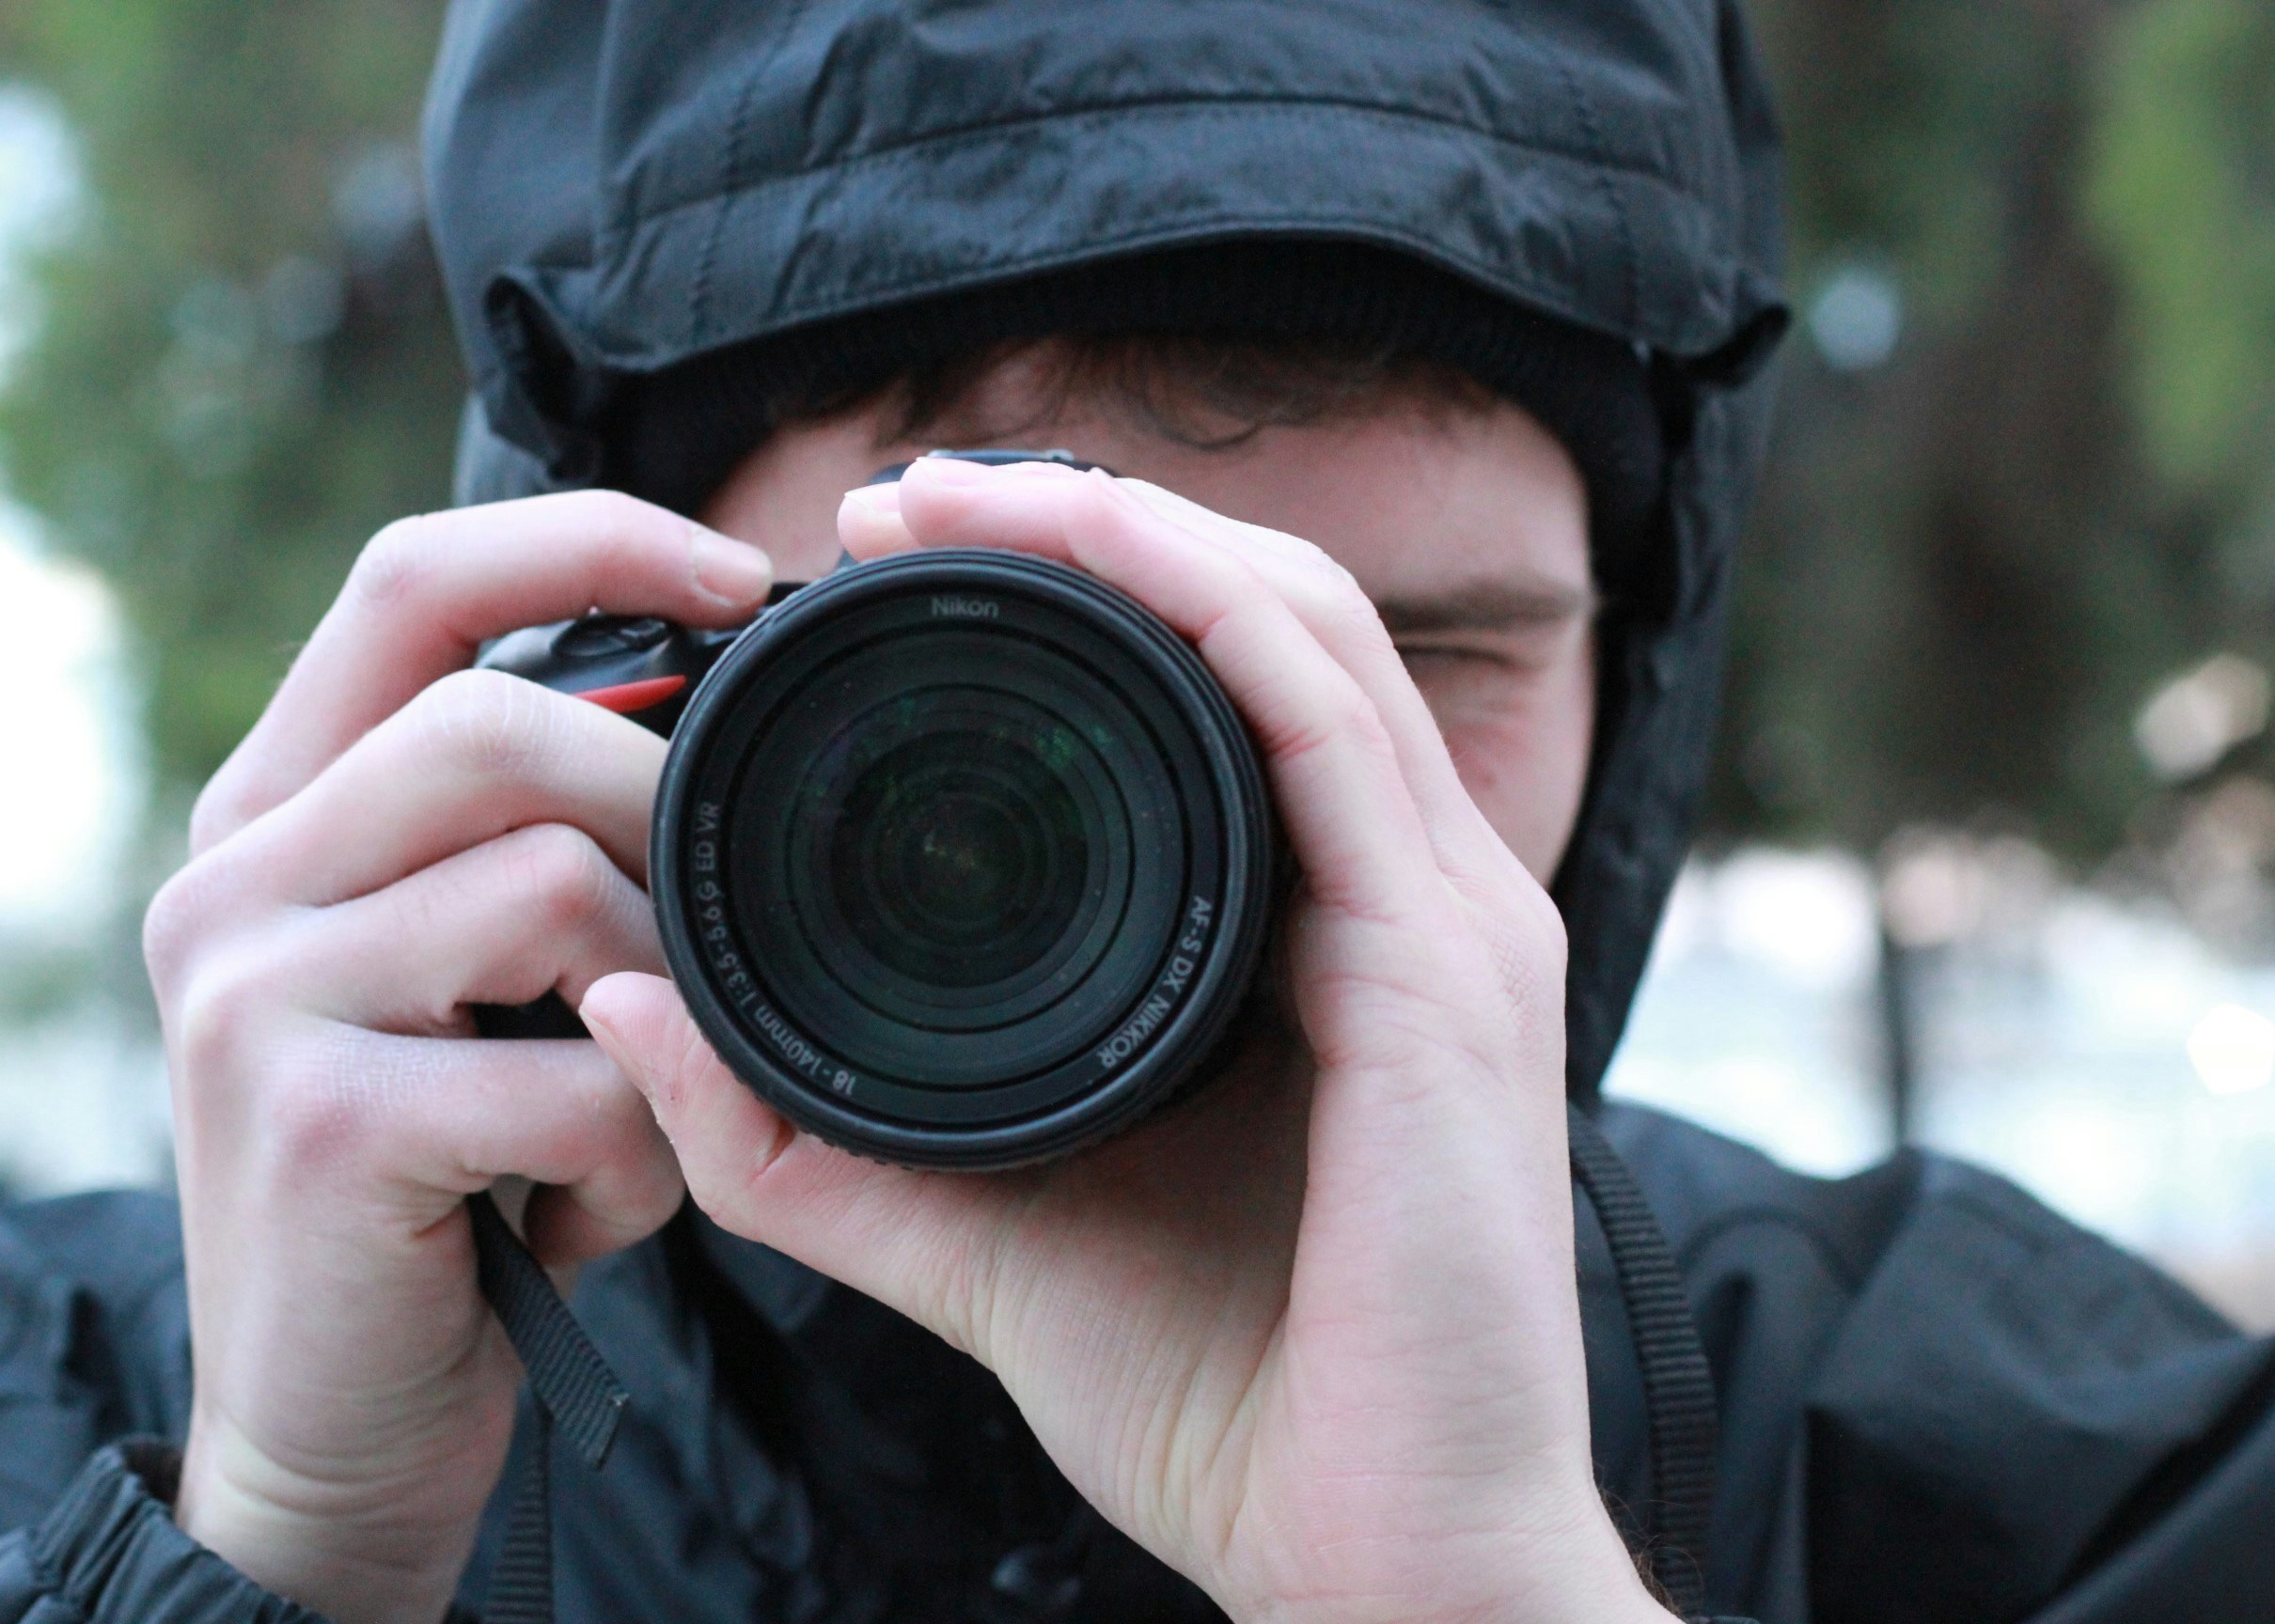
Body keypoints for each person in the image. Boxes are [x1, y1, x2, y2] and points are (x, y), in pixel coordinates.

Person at [1, 2, 2270, 1621]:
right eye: (1008, 666)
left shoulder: (2058, 1482)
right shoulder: (84, 1417)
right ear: (617, 647)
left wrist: (1486, 1597)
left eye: (1428, 659)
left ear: (1634, 674)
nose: (1265, 792)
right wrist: (281, 1539)